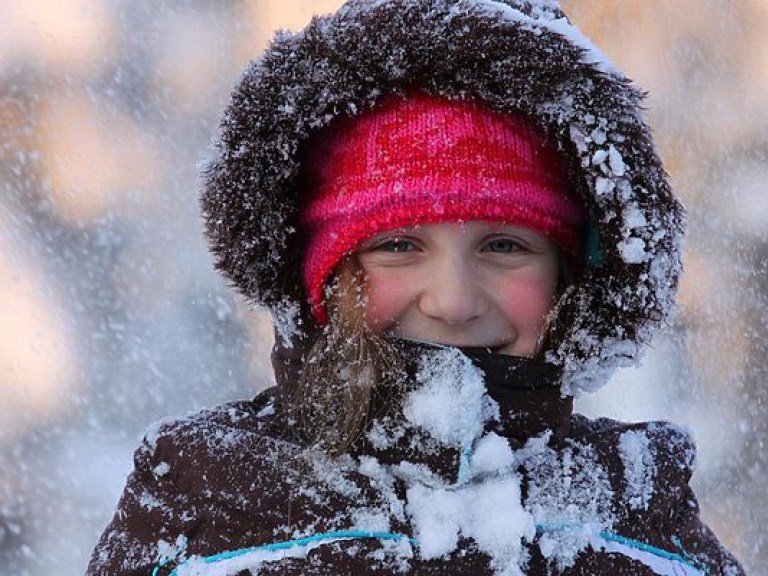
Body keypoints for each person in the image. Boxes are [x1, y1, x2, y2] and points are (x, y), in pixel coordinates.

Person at [87, 1, 745, 575]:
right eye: (398, 246)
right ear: (318, 275)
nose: (453, 301)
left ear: (569, 277)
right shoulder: (210, 503)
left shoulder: (641, 515)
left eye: (505, 246)